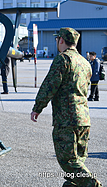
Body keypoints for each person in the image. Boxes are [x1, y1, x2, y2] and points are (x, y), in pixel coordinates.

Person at [31, 27, 102, 187]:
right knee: (78, 160)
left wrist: (37, 107)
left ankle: (92, 184)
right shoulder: (85, 62)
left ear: (61, 40)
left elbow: (49, 86)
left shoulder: (63, 59)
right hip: (84, 119)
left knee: (68, 161)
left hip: (67, 120)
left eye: (57, 39)